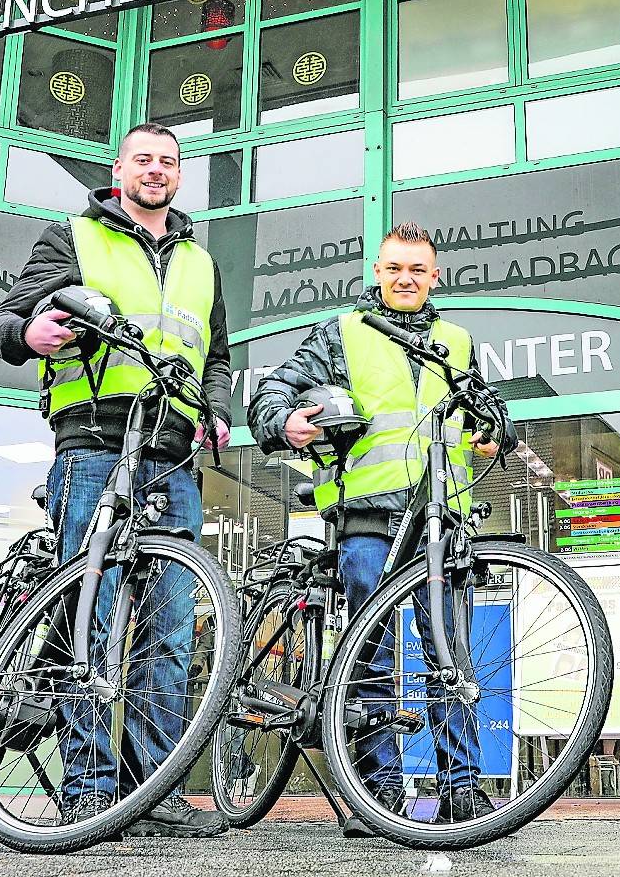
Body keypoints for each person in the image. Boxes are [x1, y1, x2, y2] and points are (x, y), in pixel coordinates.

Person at [0, 121, 232, 838]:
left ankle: (151, 787)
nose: (156, 170)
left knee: (170, 630)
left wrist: (218, 409)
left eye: (168, 162)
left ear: (179, 176)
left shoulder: (200, 260)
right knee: (86, 622)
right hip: (94, 438)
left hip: (173, 450)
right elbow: (7, 317)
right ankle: (89, 786)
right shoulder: (72, 237)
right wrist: (27, 334)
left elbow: (215, 354)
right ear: (118, 169)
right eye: (144, 159)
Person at [248, 221, 506, 835]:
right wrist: (285, 422)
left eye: (417, 268)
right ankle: (378, 790)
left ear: (434, 275)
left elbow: (490, 412)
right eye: (394, 267)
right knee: (373, 654)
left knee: (453, 657)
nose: (405, 278)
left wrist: (496, 429)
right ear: (377, 271)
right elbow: (272, 391)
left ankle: (461, 791)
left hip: (443, 520)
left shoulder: (458, 341)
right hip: (368, 519)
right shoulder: (343, 333)